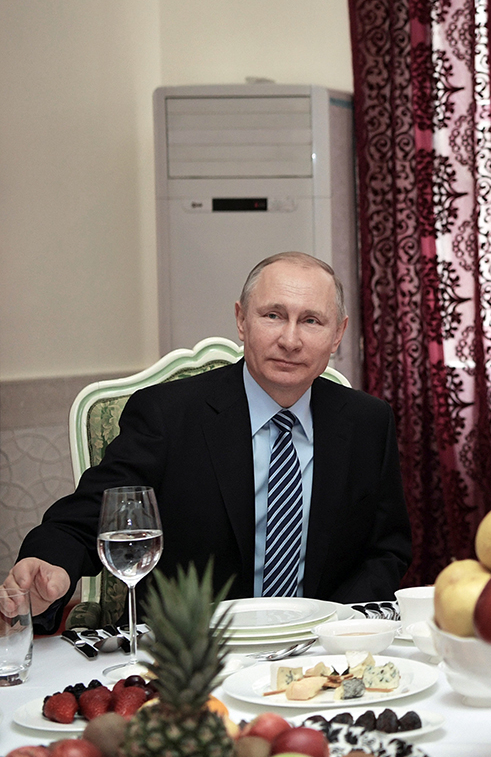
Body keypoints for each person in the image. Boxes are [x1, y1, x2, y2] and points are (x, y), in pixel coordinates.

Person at [3, 252, 412, 630]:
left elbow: (386, 549)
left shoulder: (367, 422)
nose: (290, 340)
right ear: (241, 320)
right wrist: (49, 564)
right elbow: (87, 519)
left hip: (322, 653)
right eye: (273, 315)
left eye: (311, 321)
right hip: (195, 655)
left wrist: (335, 622)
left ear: (337, 334)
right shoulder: (168, 415)